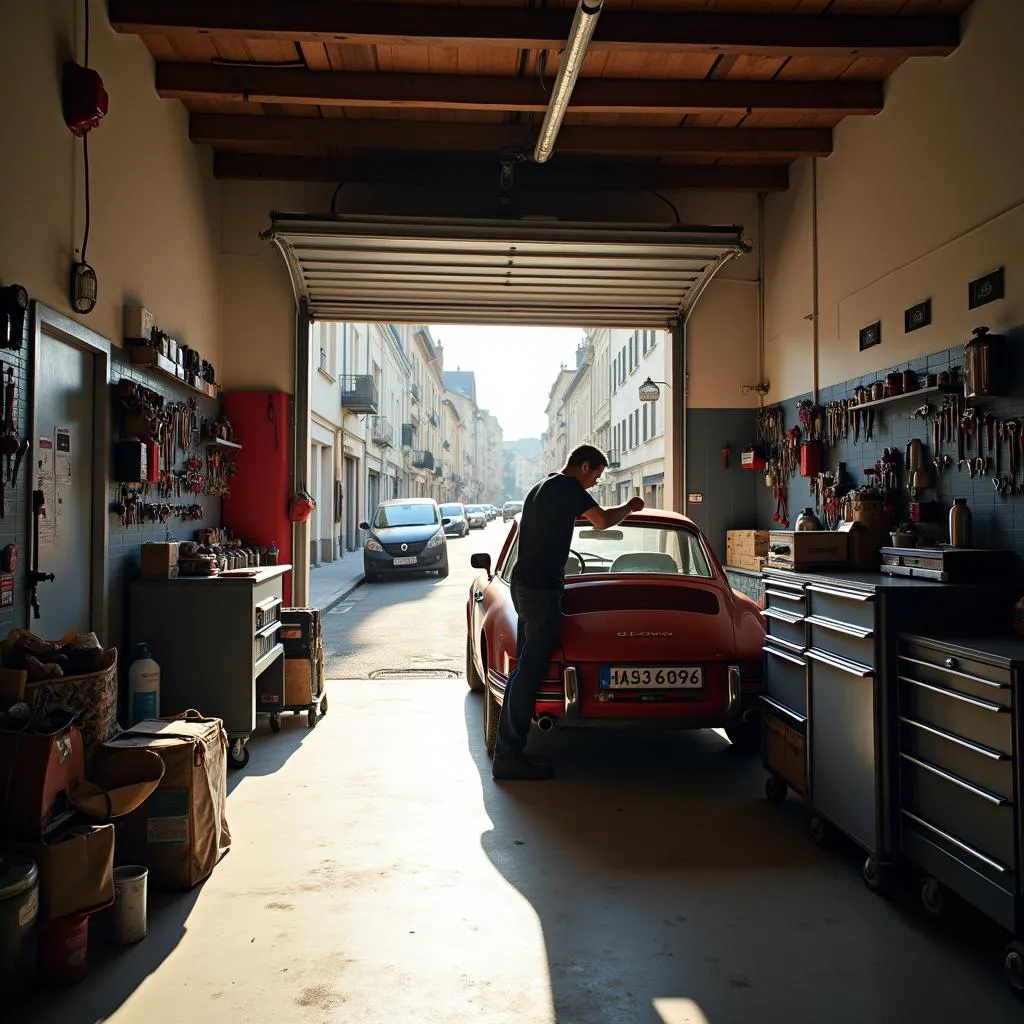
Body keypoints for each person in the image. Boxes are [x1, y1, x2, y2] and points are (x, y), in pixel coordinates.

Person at [492, 445, 645, 781]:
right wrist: (631, 507)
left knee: (524, 667)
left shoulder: (542, 486)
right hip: (541, 589)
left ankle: (507, 749)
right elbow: (602, 521)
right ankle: (508, 754)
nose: (594, 483)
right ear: (585, 465)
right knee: (529, 670)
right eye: (596, 475)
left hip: (525, 584)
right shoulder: (568, 487)